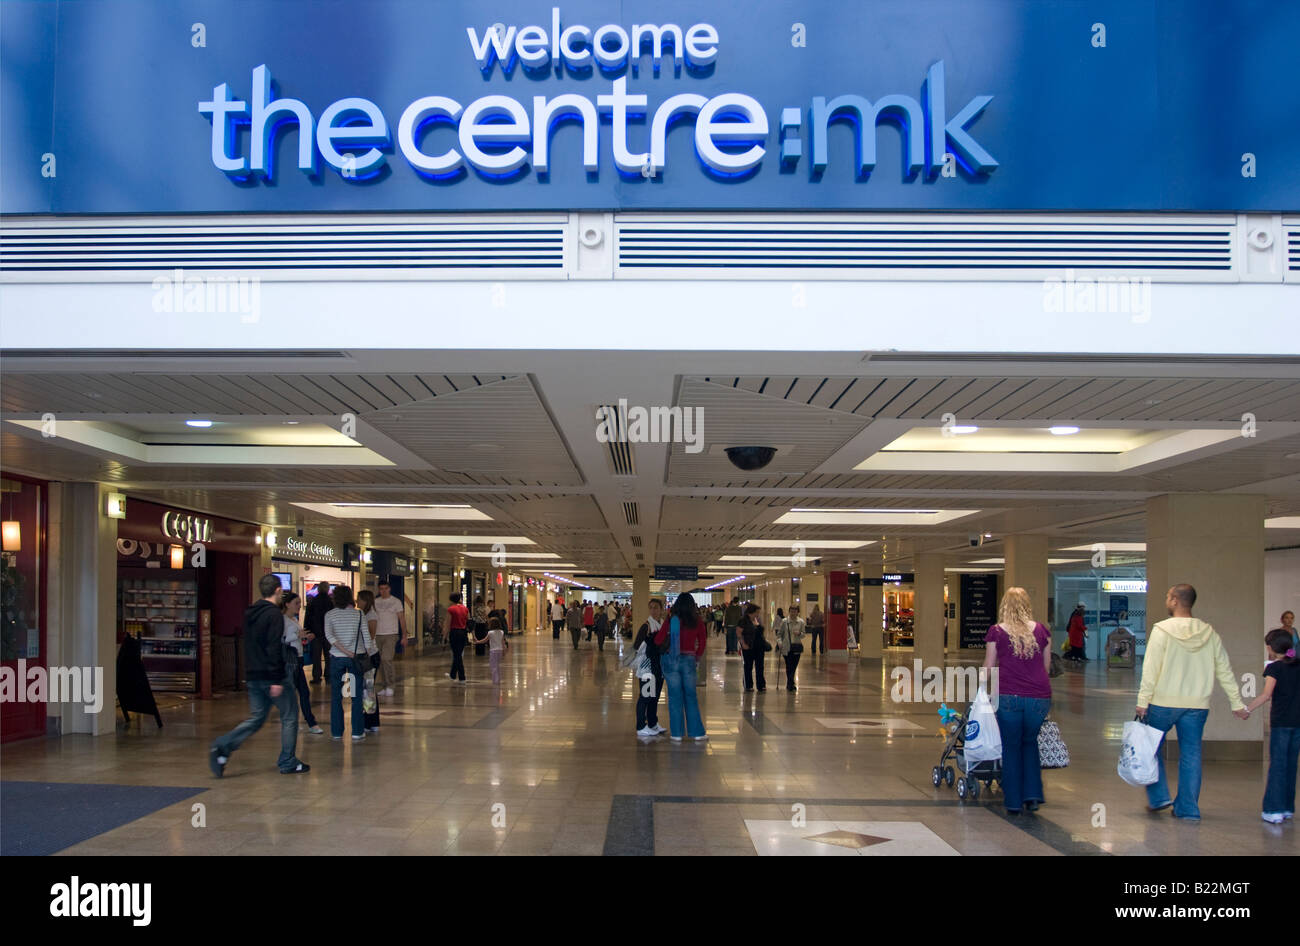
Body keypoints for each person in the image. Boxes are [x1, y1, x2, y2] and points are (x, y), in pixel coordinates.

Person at [1137, 584, 1249, 821]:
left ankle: (1158, 797)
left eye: (1168, 596)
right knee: (1191, 754)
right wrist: (1236, 703)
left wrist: (1143, 700)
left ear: (1176, 600)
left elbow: (1151, 668)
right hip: (1197, 705)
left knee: (1149, 747)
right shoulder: (1209, 633)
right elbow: (1224, 670)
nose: (1166, 599)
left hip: (1163, 703)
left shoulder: (1162, 630)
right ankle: (1188, 809)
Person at [209, 574, 310, 776]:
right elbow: (273, 647)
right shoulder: (274, 615)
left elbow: (252, 645)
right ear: (278, 591)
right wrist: (275, 679)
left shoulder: (250, 612)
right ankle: (288, 761)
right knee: (290, 716)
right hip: (272, 676)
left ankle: (222, 746)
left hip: (254, 675)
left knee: (257, 718)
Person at [982, 587, 1052, 815]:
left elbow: (989, 666)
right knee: (1030, 743)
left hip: (1009, 696)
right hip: (1039, 698)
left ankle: (1013, 801)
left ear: (1005, 606)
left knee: (1011, 747)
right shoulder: (1041, 630)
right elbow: (1046, 667)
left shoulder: (997, 632)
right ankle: (1032, 795)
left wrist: (981, 689)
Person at [1242, 628, 1299, 823]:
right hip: (1297, 723)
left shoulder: (1274, 668)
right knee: (1291, 766)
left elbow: (1266, 695)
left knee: (1277, 765)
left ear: (1271, 648)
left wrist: (1247, 709)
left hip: (1281, 723)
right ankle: (1287, 808)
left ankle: (1273, 810)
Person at [653, 592, 708, 742]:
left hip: (671, 660)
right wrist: (696, 656)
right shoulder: (697, 621)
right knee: (690, 696)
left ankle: (676, 734)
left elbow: (659, 640)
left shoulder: (671, 619)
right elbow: (702, 642)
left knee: (674, 697)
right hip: (689, 660)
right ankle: (696, 732)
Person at [324, 585, 376, 741]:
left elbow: (329, 637)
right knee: (356, 696)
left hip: (337, 658)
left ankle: (337, 732)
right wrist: (366, 652)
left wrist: (344, 651)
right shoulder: (358, 614)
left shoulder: (329, 615)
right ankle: (357, 731)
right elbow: (367, 637)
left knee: (336, 696)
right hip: (357, 658)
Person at [281, 591, 324, 735]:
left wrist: (305, 638)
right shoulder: (283, 620)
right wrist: (297, 635)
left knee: (303, 692)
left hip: (298, 658)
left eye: (300, 603)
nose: (299, 606)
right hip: (289, 660)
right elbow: (282, 639)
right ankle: (302, 721)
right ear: (287, 604)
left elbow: (295, 638)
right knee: (294, 692)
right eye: (296, 603)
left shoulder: (293, 619)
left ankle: (309, 722)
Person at [625, 598, 667, 737]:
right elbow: (637, 645)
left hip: (659, 666)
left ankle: (653, 723)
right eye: (651, 607)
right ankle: (641, 726)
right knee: (645, 696)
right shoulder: (647, 626)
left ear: (661, 609)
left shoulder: (661, 624)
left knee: (654, 697)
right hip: (647, 667)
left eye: (656, 607)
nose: (654, 610)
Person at [372, 580, 406, 697]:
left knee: (387, 659)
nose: (383, 591)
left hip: (391, 634)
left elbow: (401, 618)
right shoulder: (375, 602)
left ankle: (390, 685)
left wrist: (404, 636)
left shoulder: (396, 602)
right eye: (381, 589)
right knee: (380, 661)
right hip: (378, 634)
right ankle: (384, 685)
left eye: (385, 588)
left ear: (389, 589)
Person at [355, 590, 380, 734]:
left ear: (365, 600)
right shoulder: (363, 614)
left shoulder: (370, 615)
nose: (357, 602)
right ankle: (371, 721)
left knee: (368, 689)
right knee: (367, 689)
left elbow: (370, 635)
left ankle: (370, 721)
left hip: (370, 656)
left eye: (359, 599)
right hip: (367, 655)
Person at [304, 581, 333, 684]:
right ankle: (329, 676)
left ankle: (316, 677)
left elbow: (308, 618)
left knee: (316, 656)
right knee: (328, 656)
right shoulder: (331, 602)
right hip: (328, 634)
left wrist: (307, 631)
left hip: (315, 634)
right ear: (327, 589)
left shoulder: (313, 601)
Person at [739, 603, 767, 692]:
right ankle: (748, 685)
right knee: (748, 666)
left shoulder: (758, 620)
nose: (758, 614)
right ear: (751, 612)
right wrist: (743, 644)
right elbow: (739, 633)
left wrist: (758, 625)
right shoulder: (743, 620)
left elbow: (762, 631)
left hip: (759, 646)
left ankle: (761, 685)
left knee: (760, 666)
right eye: (757, 612)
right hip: (748, 646)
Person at [778, 605, 806, 691]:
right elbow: (779, 634)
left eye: (795, 611)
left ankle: (790, 683)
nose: (793, 613)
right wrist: (779, 642)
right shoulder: (784, 621)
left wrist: (799, 634)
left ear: (798, 612)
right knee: (789, 666)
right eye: (791, 611)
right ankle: (791, 684)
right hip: (786, 647)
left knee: (794, 666)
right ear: (789, 612)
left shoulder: (801, 622)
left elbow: (804, 634)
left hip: (796, 647)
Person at [447, 592, 470, 682]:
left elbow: (447, 623)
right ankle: (453, 674)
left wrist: (445, 635)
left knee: (457, 654)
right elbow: (469, 621)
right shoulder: (465, 609)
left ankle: (462, 676)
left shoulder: (451, 609)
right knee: (458, 654)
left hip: (454, 632)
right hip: (463, 632)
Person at [486, 616, 508, 686]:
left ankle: (495, 681)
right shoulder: (501, 632)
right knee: (497, 666)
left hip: (493, 651)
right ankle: (497, 679)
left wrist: (477, 641)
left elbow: (485, 640)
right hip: (500, 651)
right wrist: (504, 651)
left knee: (493, 666)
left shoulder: (490, 632)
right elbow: (503, 643)